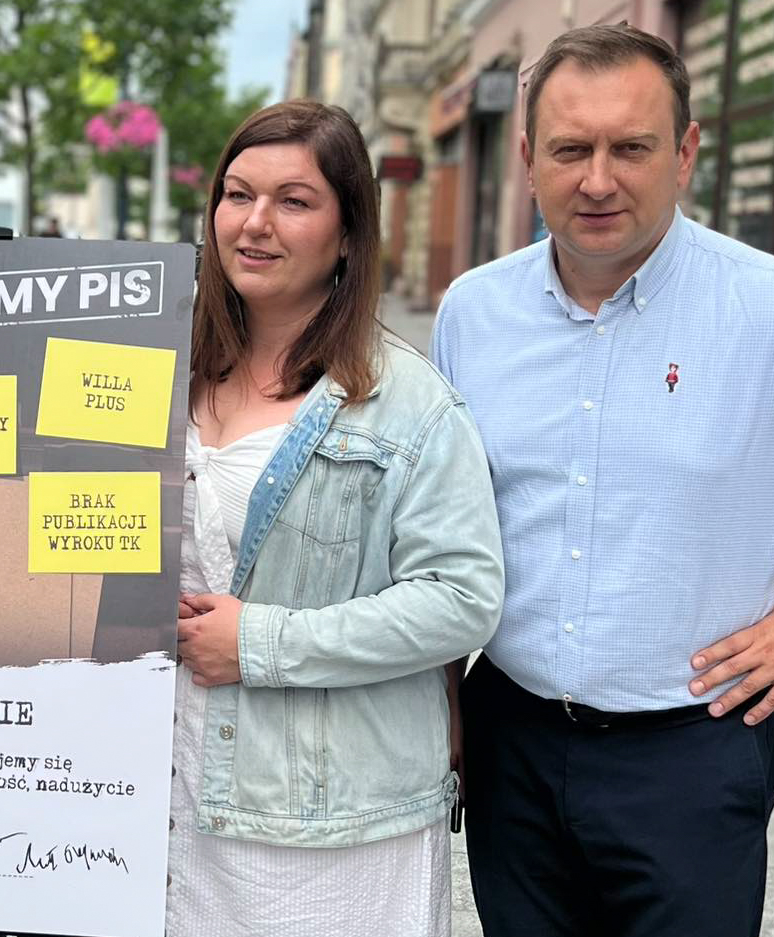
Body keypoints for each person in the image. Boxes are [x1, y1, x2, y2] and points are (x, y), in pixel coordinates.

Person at [431, 23, 774, 937]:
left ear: (685, 151)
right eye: (569, 150)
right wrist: (442, 701)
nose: (597, 180)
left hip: (691, 756)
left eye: (630, 148)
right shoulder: (473, 311)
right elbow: (440, 525)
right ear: (527, 159)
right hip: (508, 737)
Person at [169, 100, 504, 936]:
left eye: (293, 201)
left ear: (348, 233)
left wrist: (260, 642)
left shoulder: (410, 404)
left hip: (322, 821)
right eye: (237, 194)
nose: (254, 223)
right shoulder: (155, 364)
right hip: (162, 793)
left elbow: (461, 599)